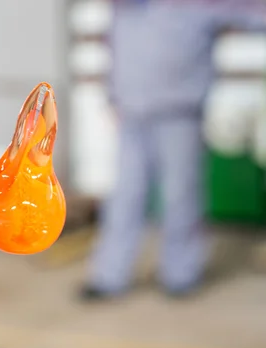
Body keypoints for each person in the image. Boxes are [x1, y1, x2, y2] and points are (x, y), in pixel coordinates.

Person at [81, 0, 266, 300]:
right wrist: (112, 97)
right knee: (125, 196)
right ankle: (109, 276)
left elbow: (251, 13)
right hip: (131, 115)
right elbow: (114, 50)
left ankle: (181, 274)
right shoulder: (124, 7)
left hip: (179, 113)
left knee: (181, 195)